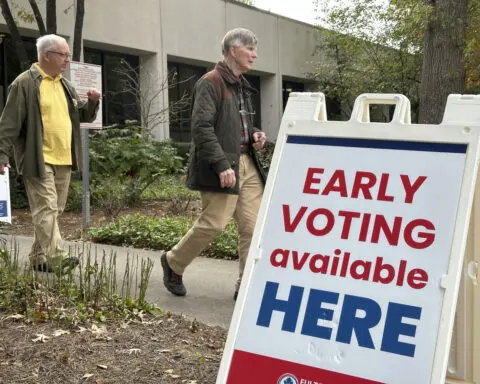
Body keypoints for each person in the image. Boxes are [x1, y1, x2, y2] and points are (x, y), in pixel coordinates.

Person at [161, 27, 267, 300]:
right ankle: (174, 262)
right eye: (250, 49)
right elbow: (202, 128)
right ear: (234, 50)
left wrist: (254, 133)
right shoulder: (210, 82)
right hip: (222, 165)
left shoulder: (242, 84)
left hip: (248, 163)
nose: (255, 55)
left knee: (253, 227)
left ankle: (245, 286)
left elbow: (235, 123)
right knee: (214, 224)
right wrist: (222, 165)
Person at [0, 34, 100, 273]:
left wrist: (92, 103)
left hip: (64, 157)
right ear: (46, 55)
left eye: (68, 55)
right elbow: (9, 123)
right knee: (46, 208)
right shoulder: (24, 83)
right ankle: (58, 258)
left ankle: (38, 257)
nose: (68, 60)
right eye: (63, 55)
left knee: (54, 211)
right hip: (38, 158)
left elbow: (82, 116)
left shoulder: (65, 85)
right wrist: (2, 154)